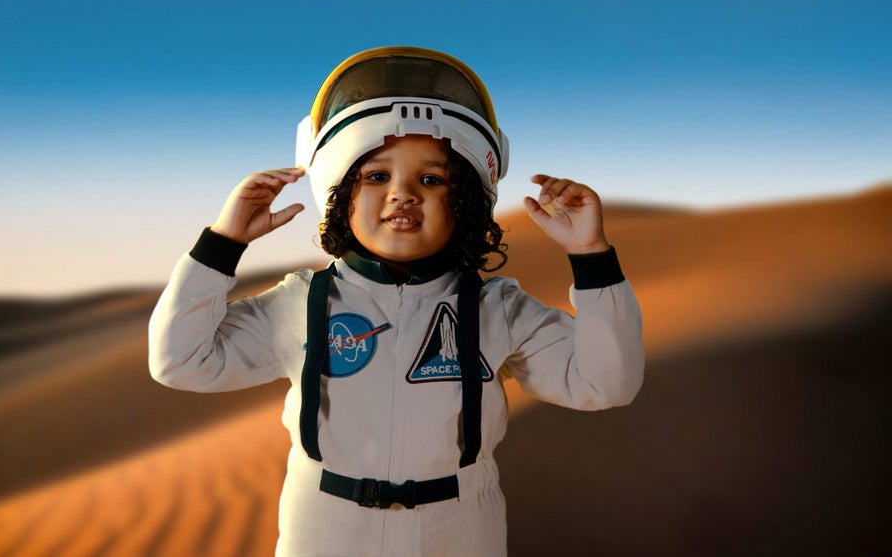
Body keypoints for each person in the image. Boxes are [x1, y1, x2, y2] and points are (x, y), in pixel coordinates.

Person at [149, 46, 644, 556]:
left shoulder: (498, 309)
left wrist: (591, 256)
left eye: (431, 180)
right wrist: (222, 243)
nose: (403, 194)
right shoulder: (301, 303)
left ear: (467, 202)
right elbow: (180, 361)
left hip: (460, 529)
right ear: (340, 193)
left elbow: (606, 383)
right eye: (377, 176)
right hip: (325, 528)